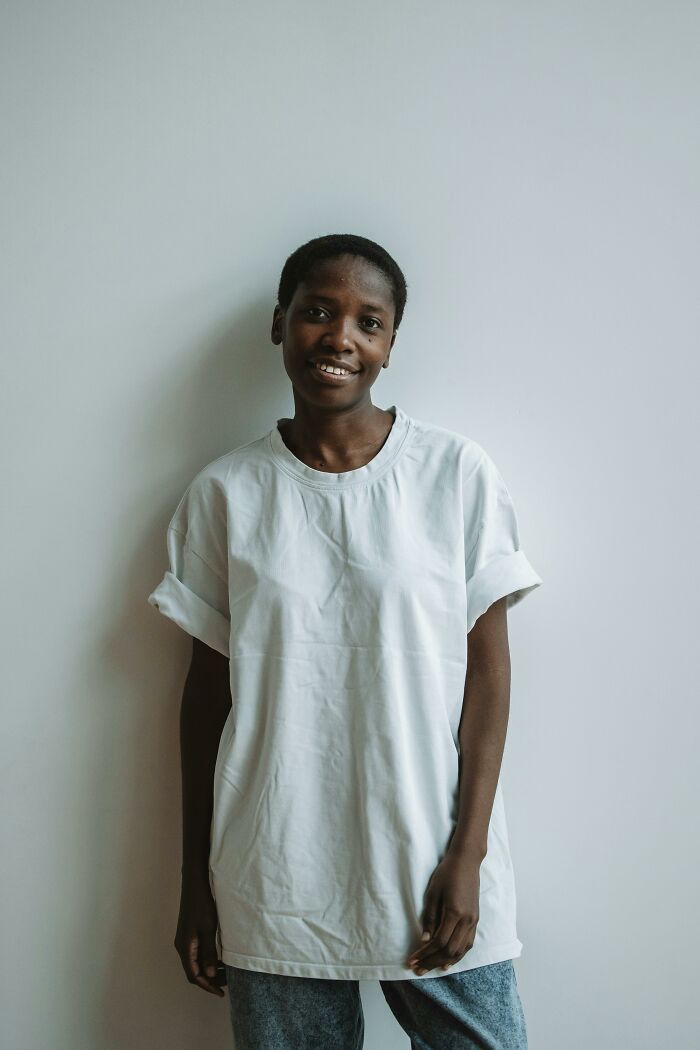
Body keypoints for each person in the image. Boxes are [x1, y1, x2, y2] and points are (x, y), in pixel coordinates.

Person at [147, 233, 542, 1049]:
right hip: (276, 869)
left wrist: (468, 855)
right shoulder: (225, 494)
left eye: (369, 321)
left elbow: (489, 682)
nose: (340, 337)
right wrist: (196, 881)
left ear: (391, 344)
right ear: (279, 325)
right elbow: (204, 700)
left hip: (432, 860)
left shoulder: (454, 474)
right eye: (317, 312)